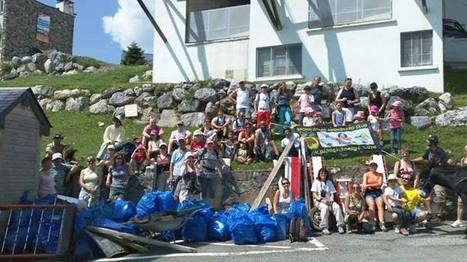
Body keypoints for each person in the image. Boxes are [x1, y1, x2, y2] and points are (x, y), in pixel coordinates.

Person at [413, 134, 453, 218]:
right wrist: (412, 160)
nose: (426, 141)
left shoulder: (440, 151)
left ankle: (440, 213)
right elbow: (423, 158)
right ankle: (429, 213)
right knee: (426, 194)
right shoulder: (429, 151)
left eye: (428, 140)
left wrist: (444, 166)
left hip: (438, 177)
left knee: (440, 194)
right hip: (429, 176)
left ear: (432, 142)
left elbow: (449, 160)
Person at [311, 168, 345, 234]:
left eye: (325, 173)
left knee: (337, 207)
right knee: (325, 207)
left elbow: (332, 193)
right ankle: (324, 227)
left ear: (327, 174)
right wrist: (322, 200)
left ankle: (340, 225)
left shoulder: (329, 182)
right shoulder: (316, 182)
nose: (323, 174)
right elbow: (314, 194)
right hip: (319, 201)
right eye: (321, 173)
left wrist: (331, 199)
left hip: (329, 200)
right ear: (319, 174)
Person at [362, 161, 385, 232]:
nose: (373, 168)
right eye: (371, 166)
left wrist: (369, 185)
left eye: (374, 166)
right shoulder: (366, 174)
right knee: (371, 205)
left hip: (377, 192)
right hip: (369, 192)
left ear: (377, 167)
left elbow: (379, 184)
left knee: (380, 205)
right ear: (369, 167)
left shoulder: (380, 174)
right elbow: (364, 184)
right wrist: (373, 185)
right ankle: (372, 222)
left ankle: (381, 222)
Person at [452, 144, 467, 227]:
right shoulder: (462, 159)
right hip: (464, 184)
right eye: (466, 149)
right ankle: (458, 220)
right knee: (460, 202)